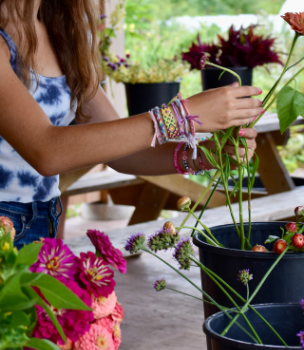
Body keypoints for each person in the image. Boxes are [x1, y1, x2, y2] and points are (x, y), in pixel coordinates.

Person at [1, 0, 262, 248]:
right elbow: (46, 151)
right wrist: (180, 117)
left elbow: (120, 154)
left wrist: (203, 155)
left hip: (42, 225)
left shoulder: (61, 33)